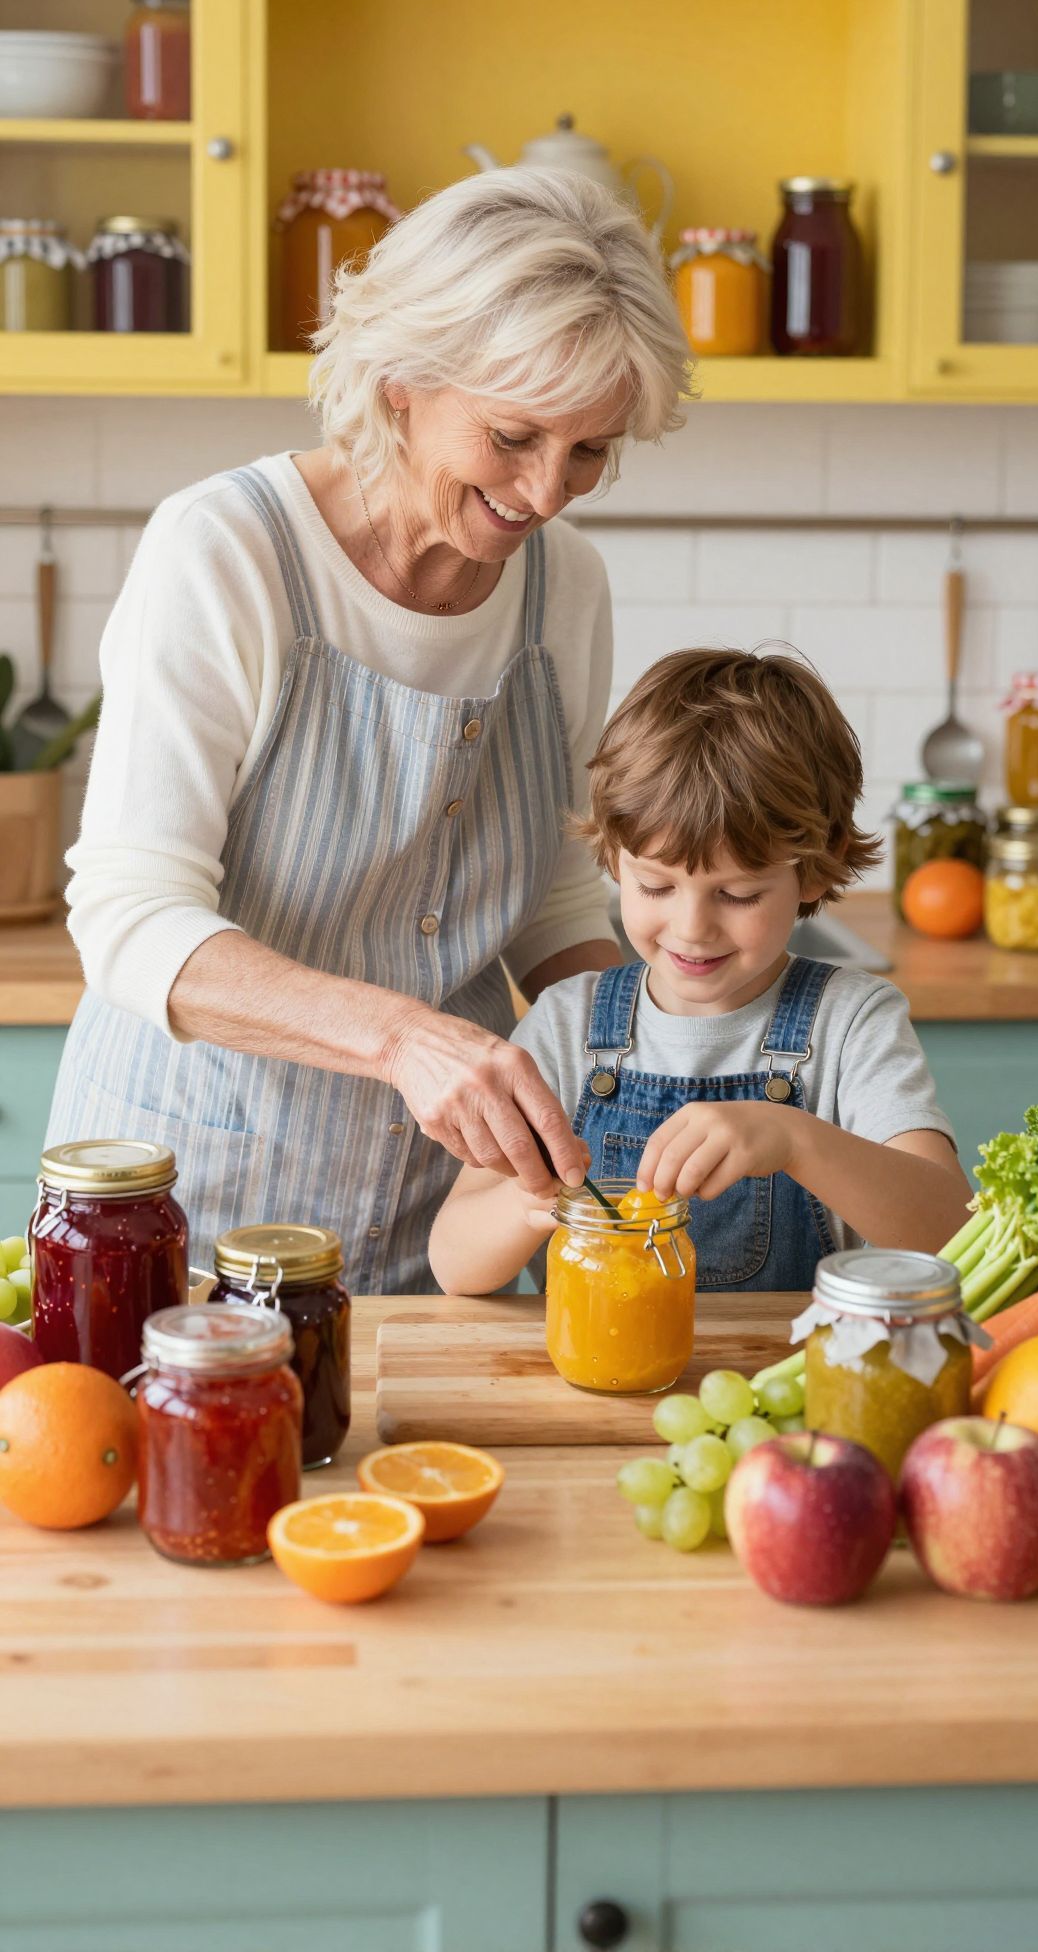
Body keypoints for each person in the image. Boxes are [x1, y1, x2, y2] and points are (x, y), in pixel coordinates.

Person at [46, 168, 692, 1290]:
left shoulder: (565, 589)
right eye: (514, 436)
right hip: (191, 1217)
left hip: (432, 1229)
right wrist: (403, 1036)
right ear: (402, 378)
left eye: (590, 450)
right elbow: (130, 917)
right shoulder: (226, 551)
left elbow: (548, 898)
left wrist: (670, 1045)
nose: (548, 491)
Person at [429, 648, 973, 1294]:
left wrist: (794, 1139)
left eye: (737, 895)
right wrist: (532, 1207)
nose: (691, 928)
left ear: (814, 872)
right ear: (613, 858)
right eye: (656, 886)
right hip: (593, 1389)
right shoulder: (565, 1024)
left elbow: (949, 1234)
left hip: (789, 1386)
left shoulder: (852, 1022)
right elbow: (453, 1263)